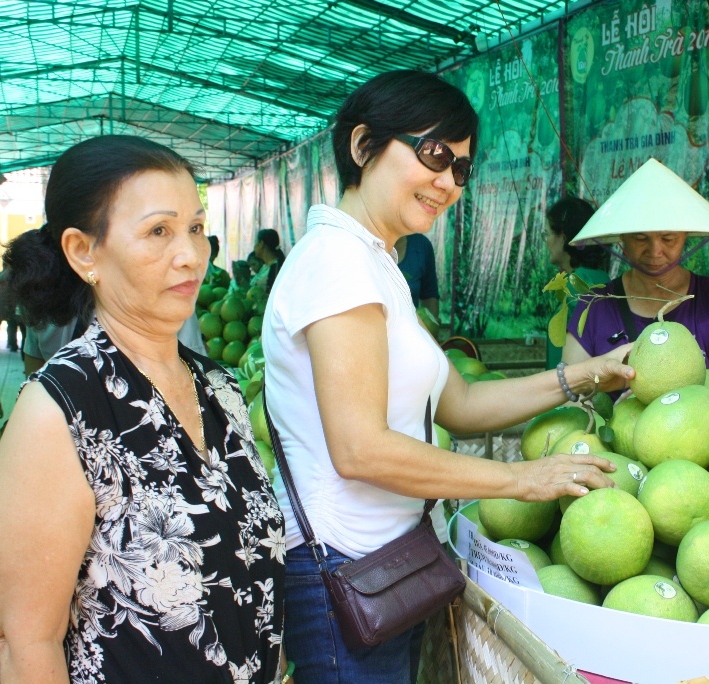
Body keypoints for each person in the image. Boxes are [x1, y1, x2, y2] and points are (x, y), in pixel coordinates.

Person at [262, 70, 634, 683]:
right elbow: (360, 449)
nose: (449, 183)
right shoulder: (337, 264)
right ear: (363, 147)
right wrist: (519, 479)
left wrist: (582, 377)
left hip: (387, 564)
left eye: (461, 169)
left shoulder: (378, 263)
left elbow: (457, 402)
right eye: (435, 155)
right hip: (343, 571)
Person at [0, 135, 285, 683]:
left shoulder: (221, 390)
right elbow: (26, 642)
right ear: (85, 252)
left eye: (196, 229)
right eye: (159, 231)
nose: (191, 254)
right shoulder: (60, 411)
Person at [562, 230, 709, 385]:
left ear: (684, 235)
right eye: (640, 238)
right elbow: (572, 394)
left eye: (668, 238)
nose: (655, 251)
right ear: (622, 238)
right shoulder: (595, 304)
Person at [544, 197, 611, 370]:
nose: (546, 241)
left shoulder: (577, 286)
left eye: (548, 234)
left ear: (563, 238)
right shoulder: (600, 278)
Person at [396, 233, 439, 321]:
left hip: (408, 332)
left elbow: (429, 296)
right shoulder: (362, 244)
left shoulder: (421, 246)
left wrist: (431, 325)